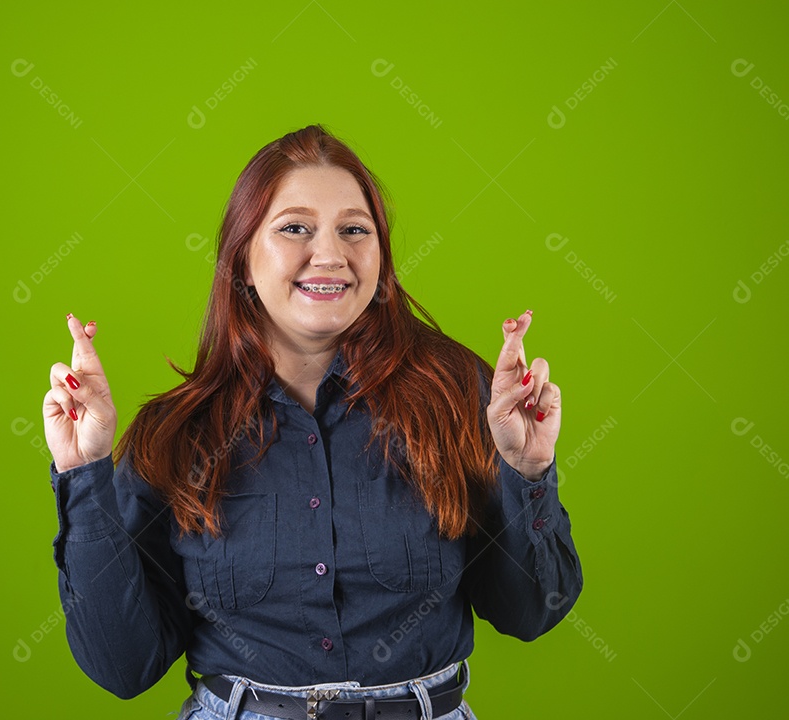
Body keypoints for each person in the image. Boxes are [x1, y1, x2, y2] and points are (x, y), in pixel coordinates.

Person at [42, 124, 583, 720]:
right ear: (243, 260)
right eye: (295, 228)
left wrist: (527, 471)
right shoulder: (176, 434)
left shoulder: (461, 395)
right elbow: (124, 669)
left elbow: (530, 614)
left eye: (355, 230)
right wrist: (83, 472)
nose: (329, 254)